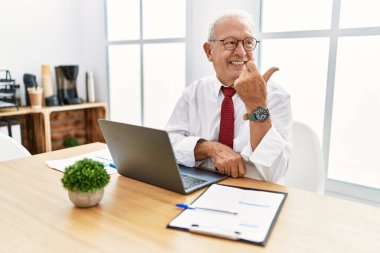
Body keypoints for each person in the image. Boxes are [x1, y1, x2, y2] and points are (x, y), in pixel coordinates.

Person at [165, 10, 293, 183]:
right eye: (230, 43)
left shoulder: (276, 96)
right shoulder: (194, 92)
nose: (241, 52)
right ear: (209, 51)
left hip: (255, 195)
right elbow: (167, 145)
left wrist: (257, 105)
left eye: (248, 43)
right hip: (199, 188)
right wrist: (210, 148)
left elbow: (274, 173)